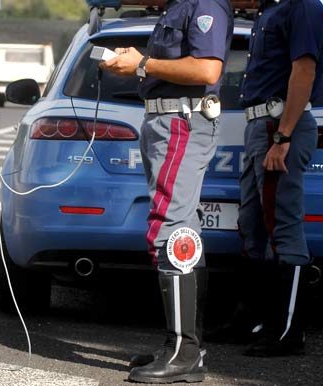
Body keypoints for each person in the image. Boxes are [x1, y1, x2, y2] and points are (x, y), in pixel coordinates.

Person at [100, 0, 233, 383]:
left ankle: (184, 353)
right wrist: (137, 63)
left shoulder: (204, 3)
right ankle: (186, 349)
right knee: (183, 228)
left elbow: (207, 69)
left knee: (170, 228)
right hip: (166, 120)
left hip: (182, 120)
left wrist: (143, 64)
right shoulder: (179, 5)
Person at [236, 0, 323, 357]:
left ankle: (288, 330)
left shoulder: (302, 6)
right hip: (260, 125)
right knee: (252, 224)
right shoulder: (269, 9)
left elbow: (303, 71)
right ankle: (253, 321)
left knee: (283, 227)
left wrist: (283, 137)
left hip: (280, 125)